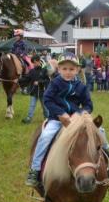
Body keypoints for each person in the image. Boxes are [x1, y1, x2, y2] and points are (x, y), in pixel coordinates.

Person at [25, 56, 93, 190]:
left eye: (71, 69)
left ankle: (107, 159)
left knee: (98, 131)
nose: (68, 72)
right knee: (45, 136)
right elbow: (47, 99)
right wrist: (60, 113)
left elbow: (88, 105)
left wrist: (79, 114)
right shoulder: (55, 83)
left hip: (76, 121)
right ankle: (35, 169)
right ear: (59, 69)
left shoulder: (81, 86)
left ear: (77, 70)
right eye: (64, 69)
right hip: (56, 119)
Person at [22, 55, 50, 124]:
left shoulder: (44, 70)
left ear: (39, 61)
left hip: (42, 92)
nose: (34, 64)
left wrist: (39, 82)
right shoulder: (32, 71)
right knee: (32, 105)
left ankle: (48, 118)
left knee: (44, 107)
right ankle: (29, 118)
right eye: (33, 63)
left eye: (35, 62)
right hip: (33, 92)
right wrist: (18, 80)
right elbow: (26, 79)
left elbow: (47, 80)